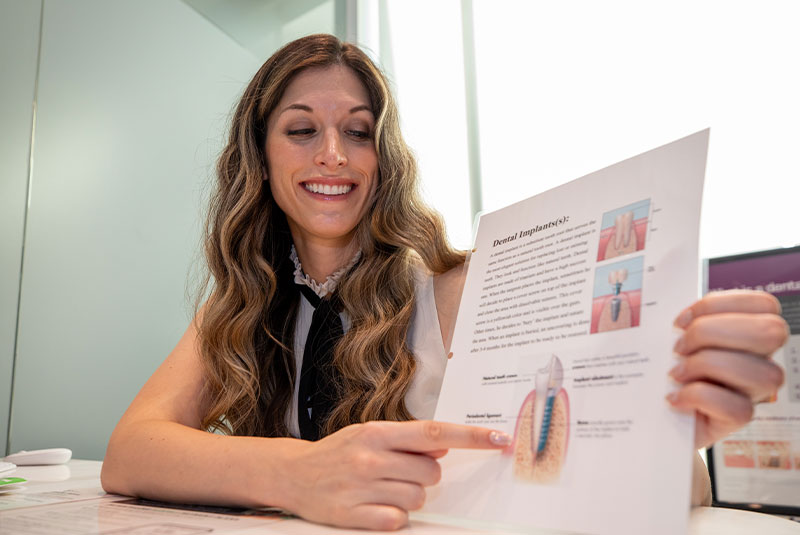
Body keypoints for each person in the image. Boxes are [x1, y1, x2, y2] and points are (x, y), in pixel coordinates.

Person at [101, 34, 788, 530]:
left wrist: (670, 433)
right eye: (302, 129)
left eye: (359, 132)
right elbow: (129, 452)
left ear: (384, 155)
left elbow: (636, 479)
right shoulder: (241, 305)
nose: (333, 155)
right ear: (260, 153)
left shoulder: (461, 287)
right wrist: (296, 474)